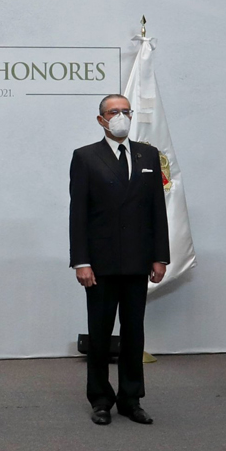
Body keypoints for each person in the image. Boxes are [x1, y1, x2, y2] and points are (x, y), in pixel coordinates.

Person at [68, 93, 169, 425]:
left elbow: (157, 209)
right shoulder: (85, 157)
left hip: (138, 261)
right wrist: (81, 261)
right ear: (101, 119)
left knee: (134, 332)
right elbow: (78, 214)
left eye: (126, 111)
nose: (121, 116)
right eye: (114, 112)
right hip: (100, 263)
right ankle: (100, 399)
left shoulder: (148, 155)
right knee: (99, 334)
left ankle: (131, 398)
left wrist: (160, 257)